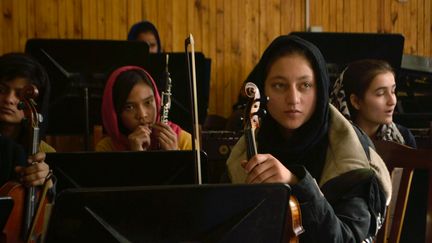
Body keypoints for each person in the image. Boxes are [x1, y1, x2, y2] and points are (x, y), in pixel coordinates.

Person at [226, 35, 392, 242]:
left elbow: (347, 239)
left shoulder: (351, 151)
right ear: (263, 90)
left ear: (320, 89)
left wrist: (296, 182)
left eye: (305, 85)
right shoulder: (247, 147)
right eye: (279, 85)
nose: (293, 99)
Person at [96, 66, 192, 151]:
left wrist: (175, 156)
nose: (142, 115)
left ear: (157, 101)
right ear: (116, 113)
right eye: (130, 107)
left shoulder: (183, 141)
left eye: (148, 102)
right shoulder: (106, 148)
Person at [330, 59, 416, 148]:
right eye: (380, 93)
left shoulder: (404, 138)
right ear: (356, 101)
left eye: (393, 91)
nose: (392, 101)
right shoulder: (331, 143)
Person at [0, 53, 53, 191]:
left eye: (20, 94)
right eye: (2, 90)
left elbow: (53, 210)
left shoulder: (44, 153)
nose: (9, 99)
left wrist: (47, 185)